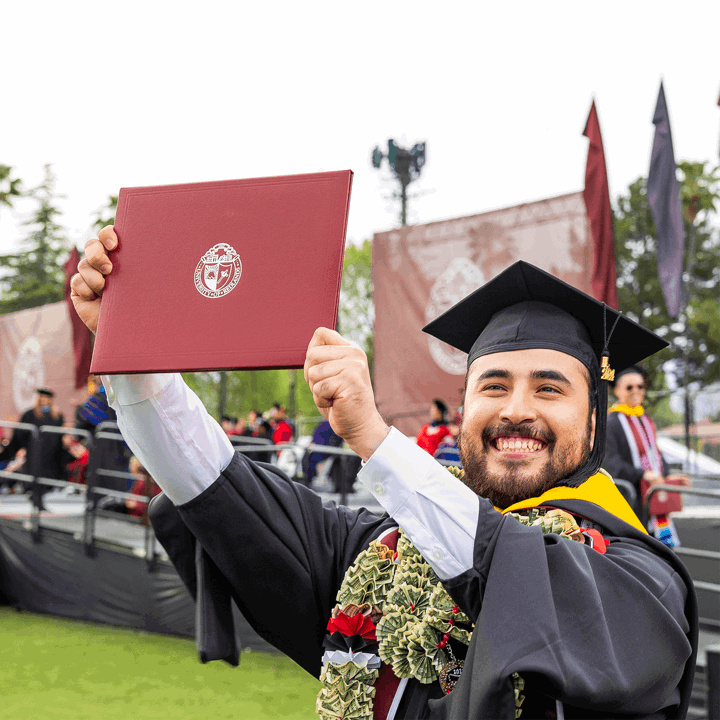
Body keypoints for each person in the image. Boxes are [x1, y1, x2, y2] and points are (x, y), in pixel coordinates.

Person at [71, 231, 697, 719]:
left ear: (592, 424)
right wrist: (132, 352)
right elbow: (220, 487)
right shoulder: (385, 558)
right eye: (494, 386)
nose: (516, 409)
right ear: (463, 408)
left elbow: (518, 569)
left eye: (550, 389)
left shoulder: (635, 581)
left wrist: (373, 437)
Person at [603, 364, 690, 546]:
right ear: (617, 390)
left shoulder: (645, 420)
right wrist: (642, 474)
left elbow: (655, 455)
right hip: (631, 500)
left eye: (640, 386)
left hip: (653, 497)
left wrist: (667, 475)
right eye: (629, 387)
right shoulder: (612, 423)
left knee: (662, 548)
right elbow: (610, 462)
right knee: (639, 549)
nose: (636, 391)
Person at [0, 388, 65, 510]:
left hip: (51, 454)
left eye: (47, 398)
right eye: (42, 398)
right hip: (35, 452)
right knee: (36, 476)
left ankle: (38, 500)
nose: (44, 400)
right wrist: (12, 450)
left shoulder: (57, 416)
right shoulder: (30, 414)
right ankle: (37, 501)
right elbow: (21, 434)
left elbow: (59, 436)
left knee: (48, 478)